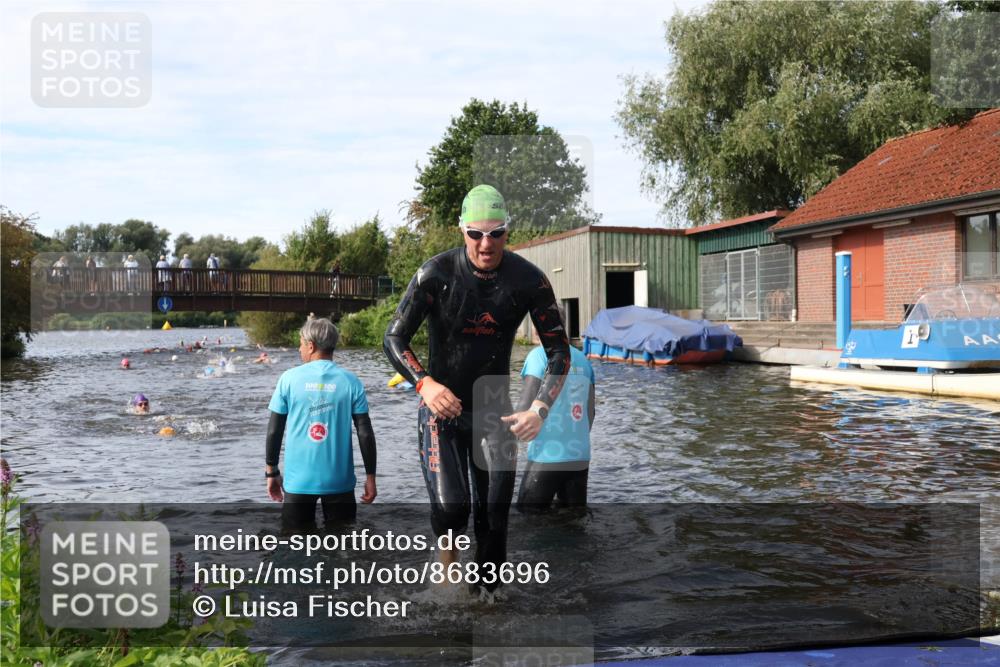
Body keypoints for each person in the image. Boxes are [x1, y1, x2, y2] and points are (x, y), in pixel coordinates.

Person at [383, 184, 570, 593]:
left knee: (493, 524)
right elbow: (393, 339)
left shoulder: (529, 280)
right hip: (442, 409)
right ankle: (446, 563)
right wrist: (425, 384)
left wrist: (539, 409)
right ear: (462, 230)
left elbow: (559, 352)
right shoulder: (435, 274)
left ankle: (489, 610)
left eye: (496, 233)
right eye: (476, 234)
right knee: (453, 510)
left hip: (495, 411)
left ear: (507, 231)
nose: (486, 244)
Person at [266, 317, 377, 532]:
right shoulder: (351, 381)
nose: (299, 349)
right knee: (342, 547)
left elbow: (274, 429)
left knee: (294, 548)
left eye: (300, 343)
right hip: (339, 481)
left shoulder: (288, 379)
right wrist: (370, 477)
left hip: (299, 481)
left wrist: (271, 472)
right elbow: (365, 433)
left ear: (311, 345)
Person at [515, 344, 596, 512]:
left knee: (527, 518)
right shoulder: (583, 359)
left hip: (546, 455)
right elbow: (591, 412)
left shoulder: (539, 355)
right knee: (574, 520)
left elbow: (525, 404)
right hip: (579, 455)